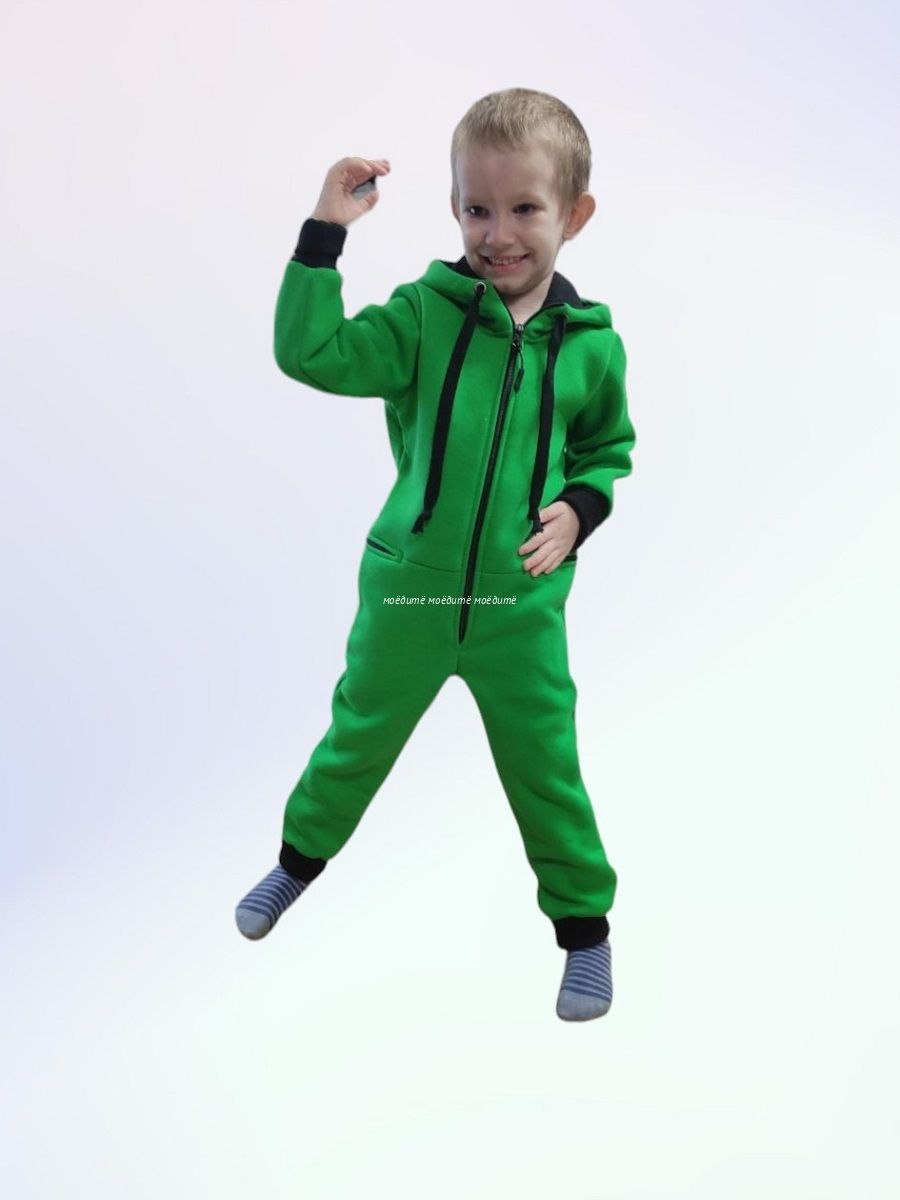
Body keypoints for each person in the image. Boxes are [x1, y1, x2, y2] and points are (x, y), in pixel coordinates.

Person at [235, 88, 636, 1022]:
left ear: (574, 215)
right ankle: (296, 864)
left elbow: (607, 448)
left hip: (518, 605)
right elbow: (311, 352)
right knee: (356, 739)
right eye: (477, 208)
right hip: (407, 594)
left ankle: (585, 932)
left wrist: (579, 511)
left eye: (525, 208)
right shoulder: (423, 316)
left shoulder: (593, 344)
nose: (499, 234)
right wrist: (324, 234)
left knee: (547, 768)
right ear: (454, 207)